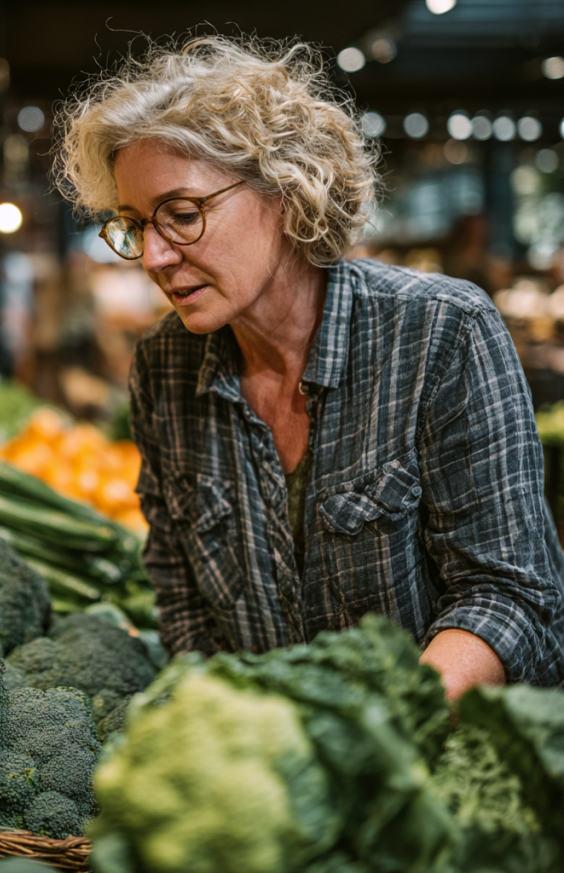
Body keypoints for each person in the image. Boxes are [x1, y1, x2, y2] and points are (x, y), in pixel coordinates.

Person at [52, 35, 564, 699]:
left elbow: (511, 595)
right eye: (133, 224)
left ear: (288, 195)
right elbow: (183, 604)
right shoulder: (164, 368)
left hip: (442, 765)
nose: (152, 256)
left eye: (180, 215)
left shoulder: (440, 331)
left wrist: (377, 741)